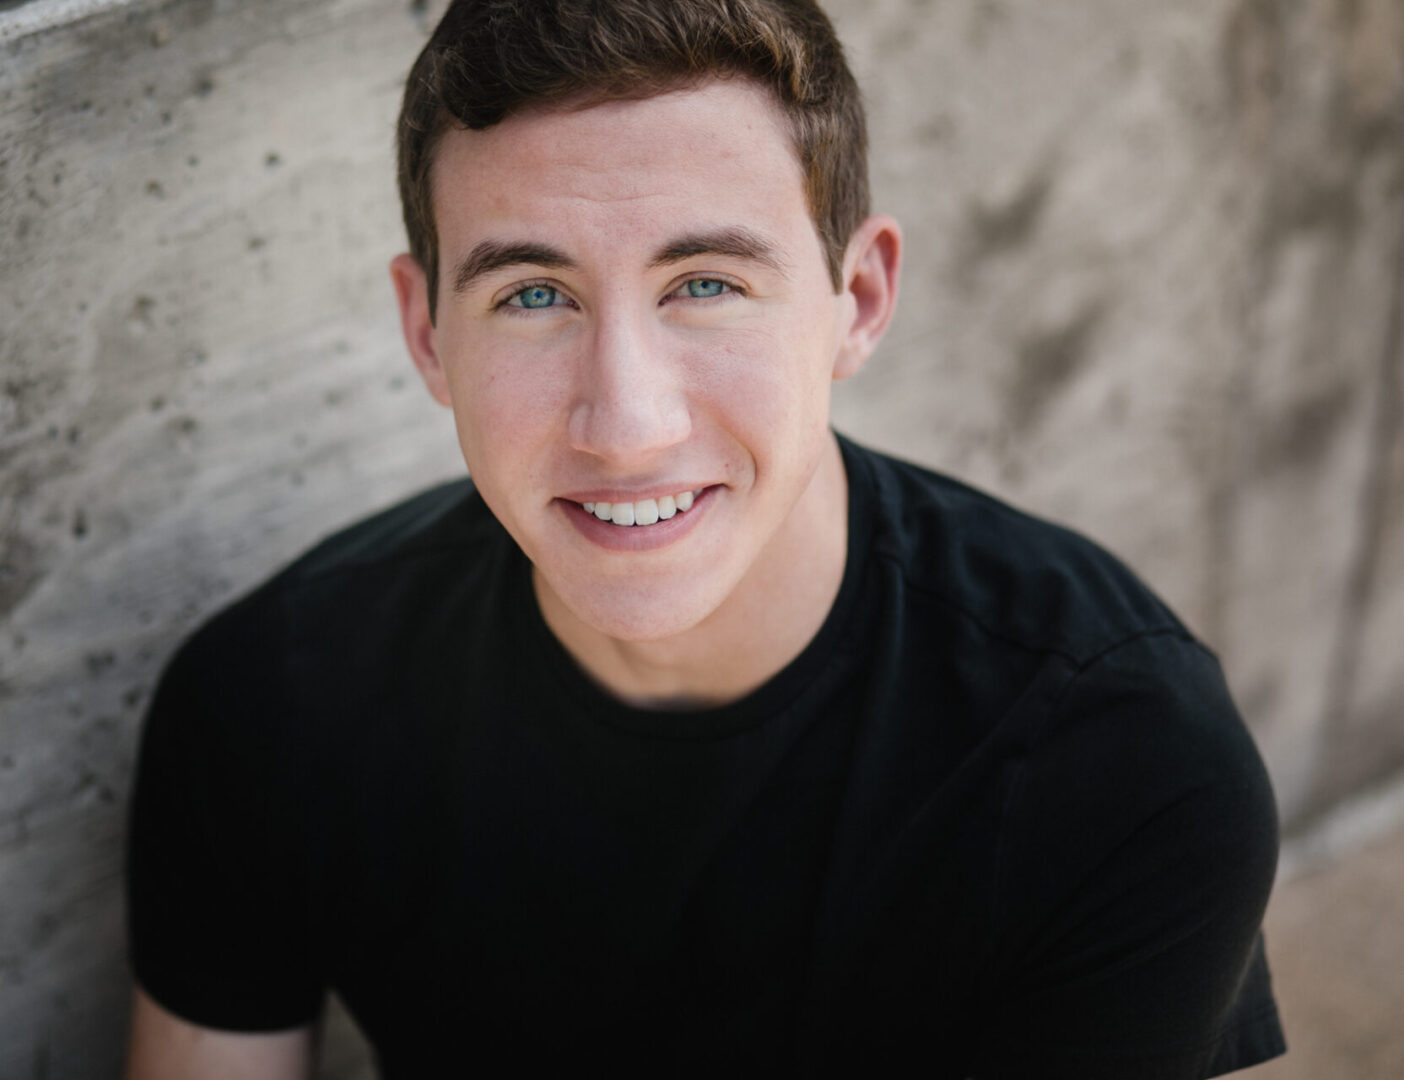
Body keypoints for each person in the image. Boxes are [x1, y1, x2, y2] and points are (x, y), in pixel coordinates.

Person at [123, 1, 1287, 1077]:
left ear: (859, 300)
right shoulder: (273, 707)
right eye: (533, 295)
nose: (627, 427)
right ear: (428, 333)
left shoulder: (1120, 757)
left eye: (708, 284)